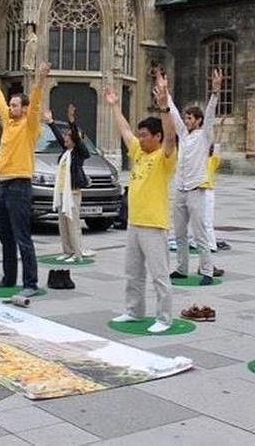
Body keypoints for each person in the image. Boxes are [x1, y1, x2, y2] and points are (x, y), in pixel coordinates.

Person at [106, 72, 177, 333]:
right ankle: (134, 311)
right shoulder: (138, 151)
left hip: (154, 225)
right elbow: (125, 130)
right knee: (133, 272)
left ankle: (164, 318)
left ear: (157, 137)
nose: (141, 138)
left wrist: (164, 107)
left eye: (145, 135)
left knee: (159, 274)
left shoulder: (164, 156)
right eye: (141, 135)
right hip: (134, 223)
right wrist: (115, 106)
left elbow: (171, 137)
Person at [0, 59, 51, 298]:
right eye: (10, 105)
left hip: (20, 186)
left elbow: (36, 105)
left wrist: (40, 80)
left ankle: (30, 283)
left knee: (22, 236)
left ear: (24, 108)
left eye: (15, 105)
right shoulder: (8, 122)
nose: (10, 108)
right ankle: (9, 277)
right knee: (5, 234)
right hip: (4, 184)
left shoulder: (29, 126)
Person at [166, 69, 222, 285]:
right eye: (186, 117)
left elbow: (210, 116)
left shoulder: (204, 135)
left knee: (200, 234)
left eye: (190, 118)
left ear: (198, 121)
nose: (186, 120)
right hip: (180, 189)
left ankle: (207, 271)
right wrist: (165, 93)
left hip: (196, 190)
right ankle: (181, 268)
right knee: (179, 234)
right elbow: (173, 115)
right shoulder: (183, 134)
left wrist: (215, 92)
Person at [45, 104, 91, 263]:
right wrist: (51, 122)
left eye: (67, 139)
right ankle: (67, 251)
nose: (64, 140)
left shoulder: (79, 153)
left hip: (73, 192)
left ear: (74, 141)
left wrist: (72, 121)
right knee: (63, 224)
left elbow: (77, 138)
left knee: (73, 223)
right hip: (62, 192)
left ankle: (77, 253)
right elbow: (58, 137)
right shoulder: (66, 152)